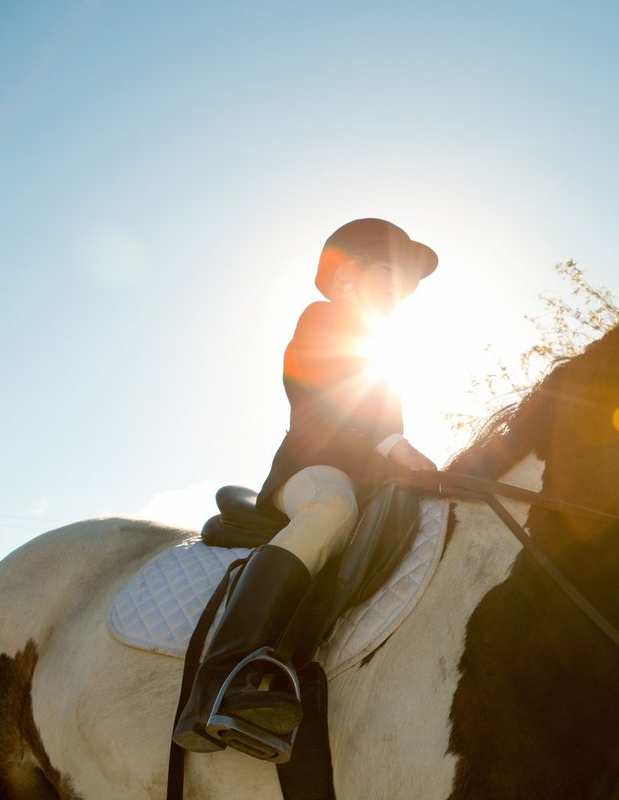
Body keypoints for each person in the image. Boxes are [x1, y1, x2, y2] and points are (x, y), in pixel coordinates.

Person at [172, 218, 438, 757]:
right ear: (345, 279)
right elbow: (323, 388)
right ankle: (222, 678)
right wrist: (392, 444)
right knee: (330, 509)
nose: (401, 290)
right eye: (390, 273)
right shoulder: (324, 319)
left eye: (408, 285)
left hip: (372, 481)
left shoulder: (387, 351)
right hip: (312, 469)